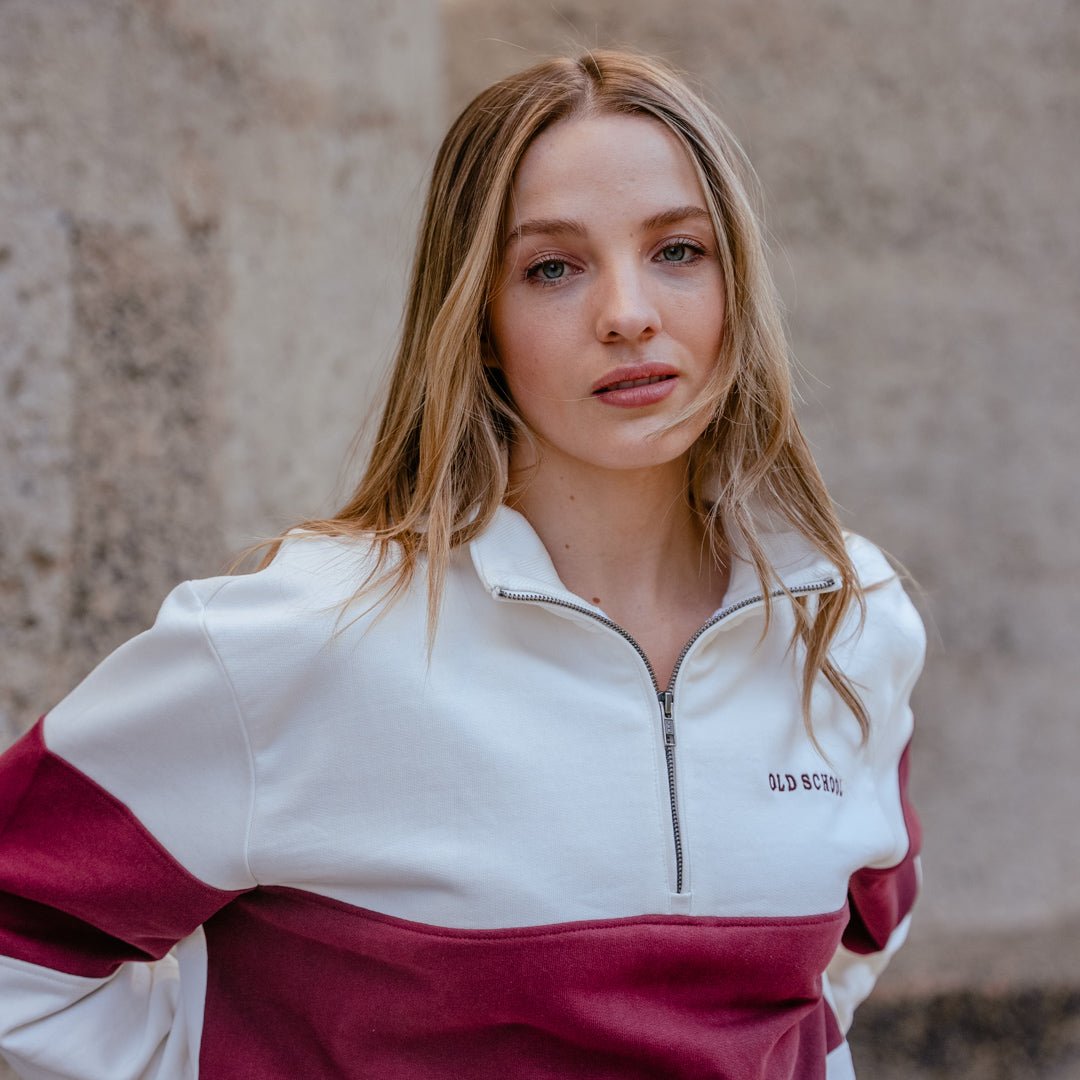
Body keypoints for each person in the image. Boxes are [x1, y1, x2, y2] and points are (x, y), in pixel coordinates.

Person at [0, 50, 924, 1080]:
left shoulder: (848, 619)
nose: (628, 312)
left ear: (736, 286)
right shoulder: (306, 636)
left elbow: (841, 963)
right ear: (479, 321)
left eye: (678, 250)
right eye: (553, 268)